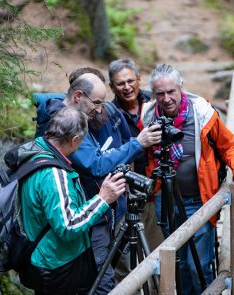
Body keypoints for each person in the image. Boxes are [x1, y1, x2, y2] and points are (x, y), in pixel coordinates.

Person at [41, 70, 162, 294]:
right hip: (88, 216)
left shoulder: (88, 116)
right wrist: (138, 143)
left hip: (104, 211)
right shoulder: (66, 124)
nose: (99, 108)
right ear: (78, 96)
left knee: (109, 273)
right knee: (103, 282)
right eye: (96, 102)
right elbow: (94, 164)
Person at [138, 64, 234, 295]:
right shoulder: (148, 116)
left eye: (171, 92)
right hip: (164, 197)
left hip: (200, 198)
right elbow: (146, 156)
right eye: (160, 93)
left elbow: (228, 146)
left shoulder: (202, 113)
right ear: (153, 94)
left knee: (197, 262)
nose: (167, 99)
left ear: (181, 88)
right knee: (177, 261)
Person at [17, 107, 127, 295]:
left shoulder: (35, 151)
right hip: (56, 265)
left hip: (41, 256)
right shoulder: (54, 174)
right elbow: (68, 226)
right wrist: (103, 199)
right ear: (75, 140)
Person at [108, 58, 164, 285]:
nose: (127, 87)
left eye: (131, 80)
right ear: (112, 87)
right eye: (120, 83)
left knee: (158, 254)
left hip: (156, 191)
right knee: (126, 264)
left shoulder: (156, 103)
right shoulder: (109, 115)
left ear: (139, 80)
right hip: (125, 197)